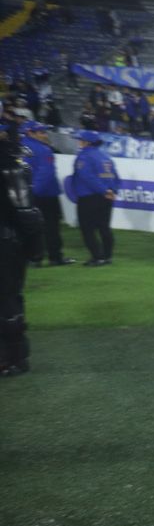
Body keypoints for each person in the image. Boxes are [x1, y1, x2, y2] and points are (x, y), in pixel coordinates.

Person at [1, 121, 44, 376]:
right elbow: (27, 213)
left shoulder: (8, 162)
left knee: (6, 301)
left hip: (5, 243)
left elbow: (26, 212)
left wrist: (35, 247)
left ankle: (14, 358)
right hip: (8, 241)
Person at [20, 121, 74, 266]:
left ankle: (33, 258)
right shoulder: (44, 150)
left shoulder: (18, 147)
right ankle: (55, 257)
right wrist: (35, 191)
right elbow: (46, 173)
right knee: (51, 227)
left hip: (23, 194)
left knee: (30, 228)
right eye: (41, 132)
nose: (45, 135)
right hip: (45, 194)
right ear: (30, 133)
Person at [67, 130, 118, 267]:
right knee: (104, 227)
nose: (79, 142)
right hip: (106, 198)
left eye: (80, 140)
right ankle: (107, 256)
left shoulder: (83, 156)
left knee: (87, 228)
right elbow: (115, 177)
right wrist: (112, 191)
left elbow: (87, 177)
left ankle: (97, 257)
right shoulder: (105, 157)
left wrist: (104, 190)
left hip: (89, 197)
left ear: (87, 142)